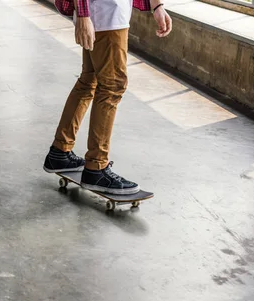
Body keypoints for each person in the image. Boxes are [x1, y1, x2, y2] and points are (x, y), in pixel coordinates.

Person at [44, 0, 172, 194]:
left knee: (89, 81)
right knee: (112, 86)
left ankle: (60, 152)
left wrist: (157, 6)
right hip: (105, 14)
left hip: (105, 13)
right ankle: (97, 167)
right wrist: (85, 15)